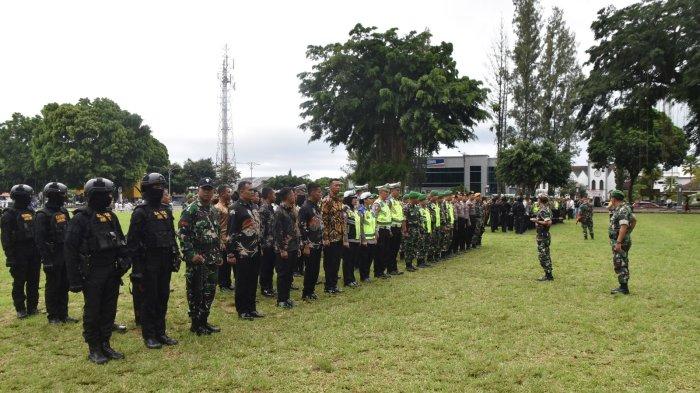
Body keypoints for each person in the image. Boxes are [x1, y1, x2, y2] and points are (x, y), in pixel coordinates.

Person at [64, 178, 129, 364]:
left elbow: (121, 240)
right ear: (94, 196)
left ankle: (105, 343)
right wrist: (74, 280)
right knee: (93, 311)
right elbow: (70, 250)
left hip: (112, 271)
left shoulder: (111, 217)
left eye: (110, 194)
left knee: (109, 309)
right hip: (92, 272)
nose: (109, 197)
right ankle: (94, 347)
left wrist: (125, 259)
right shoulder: (80, 219)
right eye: (105, 194)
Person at [126, 173, 180, 349]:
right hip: (147, 263)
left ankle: (160, 332)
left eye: (161, 187)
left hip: (164, 261)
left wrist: (175, 254)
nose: (159, 190)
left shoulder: (166, 211)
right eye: (155, 187)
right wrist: (138, 270)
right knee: (149, 299)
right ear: (147, 190)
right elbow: (133, 243)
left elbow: (172, 235)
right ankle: (149, 335)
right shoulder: (140, 213)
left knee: (163, 297)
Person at [178, 177, 223, 334]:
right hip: (198, 260)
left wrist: (219, 254)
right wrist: (191, 255)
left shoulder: (213, 211)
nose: (207, 192)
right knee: (196, 292)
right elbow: (183, 235)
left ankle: (204, 321)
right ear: (198, 190)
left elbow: (216, 234)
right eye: (204, 189)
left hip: (212, 259)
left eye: (210, 190)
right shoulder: (190, 210)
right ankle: (196, 324)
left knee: (209, 292)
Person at [35, 182, 78, 324]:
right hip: (52, 255)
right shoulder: (42, 215)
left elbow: (70, 232)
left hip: (64, 253)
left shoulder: (64, 212)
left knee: (64, 284)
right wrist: (46, 260)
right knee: (53, 285)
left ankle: (63, 314)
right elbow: (40, 240)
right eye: (62, 195)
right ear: (54, 196)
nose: (65, 197)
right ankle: (53, 316)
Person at [1, 184, 41, 319]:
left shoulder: (31, 212)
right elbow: (6, 238)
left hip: (33, 252)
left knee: (33, 281)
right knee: (19, 282)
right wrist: (10, 256)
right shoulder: (9, 214)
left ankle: (32, 307)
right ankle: (20, 309)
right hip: (18, 253)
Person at [228, 180, 264, 320]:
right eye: (250, 190)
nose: (253, 192)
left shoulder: (254, 206)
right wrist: (231, 253)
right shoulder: (235, 208)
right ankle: (242, 310)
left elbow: (257, 228)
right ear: (241, 191)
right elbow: (231, 233)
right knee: (242, 281)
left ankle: (251, 308)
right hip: (242, 251)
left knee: (253, 280)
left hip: (255, 249)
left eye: (253, 190)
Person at [273, 187, 300, 308]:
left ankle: (287, 297)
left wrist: (298, 246)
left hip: (293, 246)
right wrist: (282, 249)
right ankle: (281, 300)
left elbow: (295, 230)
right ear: (287, 197)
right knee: (283, 274)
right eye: (292, 194)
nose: (294, 196)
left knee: (289, 275)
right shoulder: (279, 211)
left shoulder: (292, 210)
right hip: (284, 249)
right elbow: (277, 232)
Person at [608, 190, 636, 295]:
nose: (610, 200)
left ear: (614, 199)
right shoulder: (623, 208)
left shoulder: (622, 210)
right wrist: (628, 233)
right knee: (622, 261)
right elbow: (634, 220)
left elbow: (624, 226)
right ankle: (623, 286)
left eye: (611, 198)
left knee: (620, 263)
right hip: (621, 240)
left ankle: (623, 288)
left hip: (620, 242)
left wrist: (619, 241)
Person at [321, 179, 347, 290]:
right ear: (330, 187)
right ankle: (329, 286)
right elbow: (323, 220)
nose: (338, 188)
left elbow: (341, 219)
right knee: (330, 263)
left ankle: (334, 284)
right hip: (330, 238)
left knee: (336, 262)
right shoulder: (327, 201)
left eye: (339, 186)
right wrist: (325, 237)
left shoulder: (339, 201)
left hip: (339, 236)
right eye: (336, 186)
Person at [299, 183, 324, 299]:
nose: (321, 194)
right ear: (312, 192)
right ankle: (306, 292)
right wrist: (306, 245)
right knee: (310, 269)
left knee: (315, 269)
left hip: (318, 242)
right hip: (310, 244)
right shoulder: (305, 208)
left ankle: (311, 290)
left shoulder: (316, 206)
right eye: (319, 192)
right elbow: (302, 227)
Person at [215, 185, 235, 292]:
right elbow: (216, 225)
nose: (230, 194)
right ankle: (223, 284)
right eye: (228, 192)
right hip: (222, 239)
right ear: (222, 194)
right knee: (222, 263)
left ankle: (228, 282)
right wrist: (219, 240)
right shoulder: (218, 208)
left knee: (229, 262)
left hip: (229, 238)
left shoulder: (229, 206)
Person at [258, 187, 277, 298]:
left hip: (272, 243)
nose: (275, 196)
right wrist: (262, 245)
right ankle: (265, 288)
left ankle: (269, 287)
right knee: (265, 267)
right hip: (266, 244)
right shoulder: (263, 209)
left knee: (270, 267)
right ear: (268, 195)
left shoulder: (270, 208)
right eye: (273, 194)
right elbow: (261, 229)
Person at [531, 195, 553, 281]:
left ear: (540, 201)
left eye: (538, 199)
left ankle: (548, 276)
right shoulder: (547, 209)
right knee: (546, 255)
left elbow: (548, 222)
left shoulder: (544, 210)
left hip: (543, 235)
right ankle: (548, 274)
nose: (537, 201)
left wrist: (536, 221)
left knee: (543, 256)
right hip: (543, 235)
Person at [341, 190, 361, 287]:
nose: (355, 200)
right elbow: (344, 225)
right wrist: (345, 240)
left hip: (356, 239)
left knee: (353, 261)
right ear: (348, 199)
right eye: (353, 198)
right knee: (348, 261)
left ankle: (352, 278)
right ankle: (347, 280)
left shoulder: (355, 210)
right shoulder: (345, 209)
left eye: (356, 198)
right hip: (349, 240)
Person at [358, 192, 377, 282]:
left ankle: (367, 275)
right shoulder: (361, 210)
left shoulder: (371, 210)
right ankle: (364, 276)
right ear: (365, 200)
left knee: (370, 258)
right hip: (365, 239)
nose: (372, 200)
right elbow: (360, 225)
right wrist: (363, 239)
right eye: (370, 198)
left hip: (372, 238)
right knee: (364, 258)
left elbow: (374, 223)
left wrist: (376, 235)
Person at [401, 192, 423, 272]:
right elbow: (403, 220)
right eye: (417, 198)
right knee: (408, 248)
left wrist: (420, 231)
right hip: (409, 231)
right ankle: (408, 265)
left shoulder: (416, 207)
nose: (418, 200)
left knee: (414, 248)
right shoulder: (406, 208)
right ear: (413, 199)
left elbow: (419, 219)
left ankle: (411, 264)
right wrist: (405, 231)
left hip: (416, 231)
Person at [387, 182, 405, 275]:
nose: (398, 192)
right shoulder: (389, 201)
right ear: (391, 190)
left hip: (398, 228)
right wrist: (389, 229)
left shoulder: (398, 201)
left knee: (396, 249)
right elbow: (387, 215)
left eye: (399, 190)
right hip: (392, 228)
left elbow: (401, 216)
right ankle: (390, 269)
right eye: (397, 190)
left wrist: (402, 227)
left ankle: (394, 268)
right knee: (391, 249)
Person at [417, 194, 433, 268]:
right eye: (425, 200)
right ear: (421, 201)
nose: (427, 201)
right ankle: (419, 262)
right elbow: (418, 222)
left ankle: (423, 261)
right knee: (421, 246)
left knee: (426, 246)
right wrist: (420, 231)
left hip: (428, 230)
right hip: (422, 231)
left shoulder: (426, 209)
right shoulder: (418, 209)